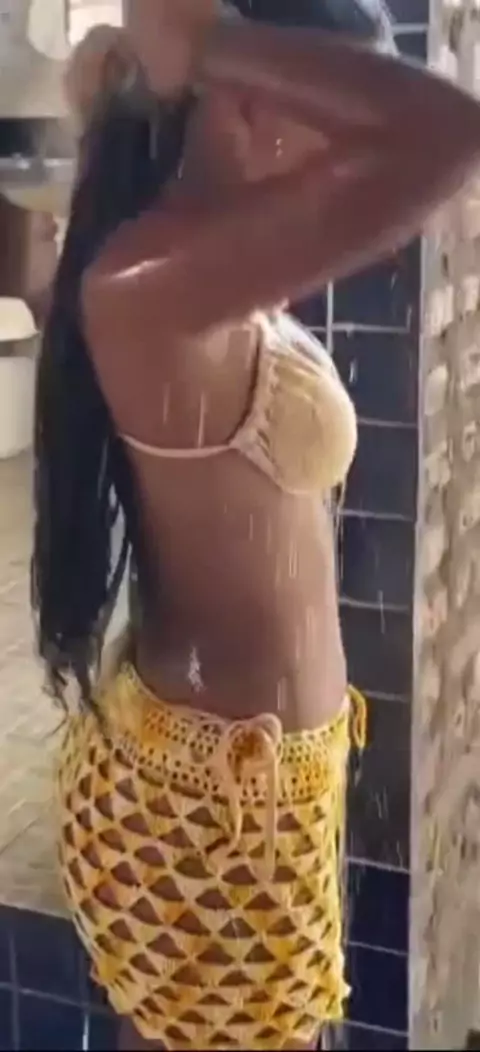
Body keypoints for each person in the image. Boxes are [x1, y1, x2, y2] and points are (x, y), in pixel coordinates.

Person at [31, 2, 480, 1049]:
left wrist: (206, 58)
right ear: (248, 103)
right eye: (332, 119)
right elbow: (448, 135)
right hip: (209, 807)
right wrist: (210, 42)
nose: (345, 158)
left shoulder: (215, 257)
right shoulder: (147, 285)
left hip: (245, 781)